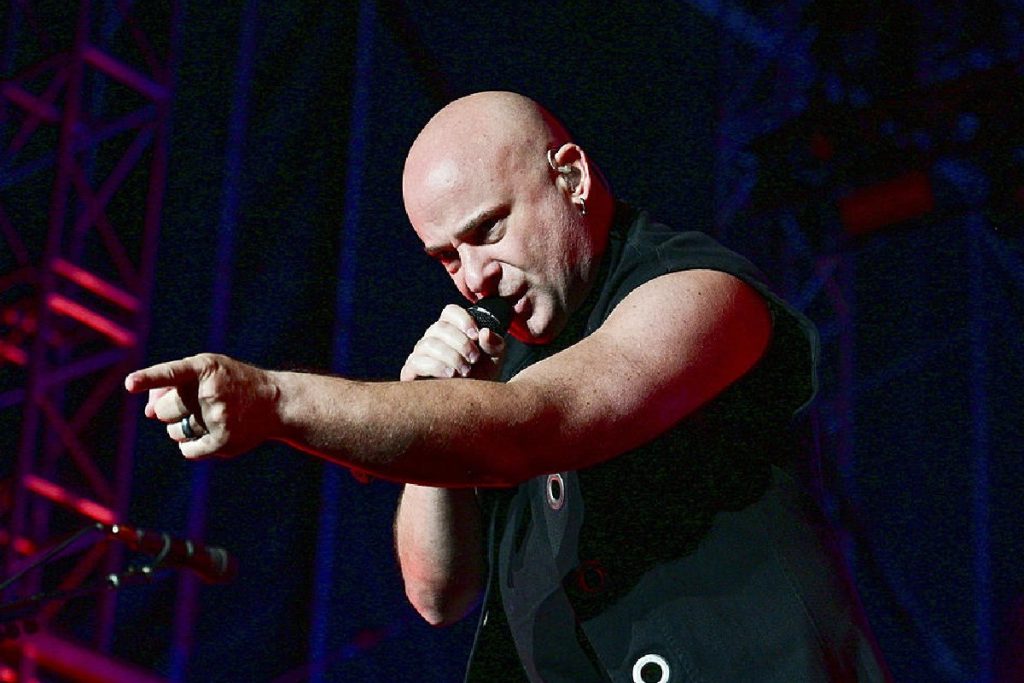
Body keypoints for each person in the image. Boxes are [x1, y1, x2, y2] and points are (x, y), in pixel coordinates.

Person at [126, 91, 890, 682]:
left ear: (571, 177)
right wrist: (434, 398)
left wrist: (275, 399)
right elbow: (437, 591)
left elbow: (532, 425)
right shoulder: (503, 367)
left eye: (488, 231)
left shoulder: (699, 292)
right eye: (445, 257)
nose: (472, 277)